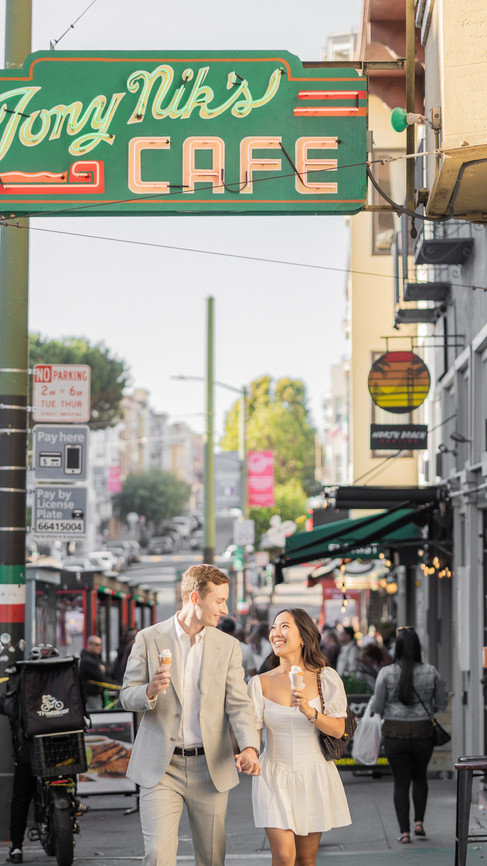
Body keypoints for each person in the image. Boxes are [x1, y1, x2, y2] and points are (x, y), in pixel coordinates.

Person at [120, 563, 261, 866]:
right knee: (158, 857)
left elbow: (239, 704)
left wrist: (249, 746)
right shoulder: (148, 638)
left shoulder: (228, 647)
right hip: (160, 766)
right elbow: (125, 696)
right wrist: (148, 690)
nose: (224, 609)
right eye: (219, 600)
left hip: (209, 768)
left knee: (211, 859)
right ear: (195, 598)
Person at [247, 608, 351, 866]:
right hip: (273, 775)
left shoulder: (325, 679)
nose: (275, 633)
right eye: (273, 628)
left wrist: (309, 711)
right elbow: (252, 731)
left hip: (312, 774)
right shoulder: (259, 683)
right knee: (284, 858)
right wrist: (248, 752)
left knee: (306, 859)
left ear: (303, 637)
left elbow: (339, 730)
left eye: (284, 626)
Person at [370, 626, 448, 844]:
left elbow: (377, 706)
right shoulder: (431, 672)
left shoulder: (386, 673)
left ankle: (404, 833)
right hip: (423, 732)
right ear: (418, 648)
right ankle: (419, 824)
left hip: (394, 733)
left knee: (400, 782)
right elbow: (441, 704)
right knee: (420, 776)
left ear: (398, 648)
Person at [79, 635, 116, 710]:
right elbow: (101, 677)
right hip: (91, 696)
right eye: (96, 645)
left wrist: (103, 669)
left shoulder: (95, 658)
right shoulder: (87, 660)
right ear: (89, 645)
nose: (99, 647)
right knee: (96, 717)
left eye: (100, 644)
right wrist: (102, 670)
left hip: (97, 694)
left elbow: (109, 671)